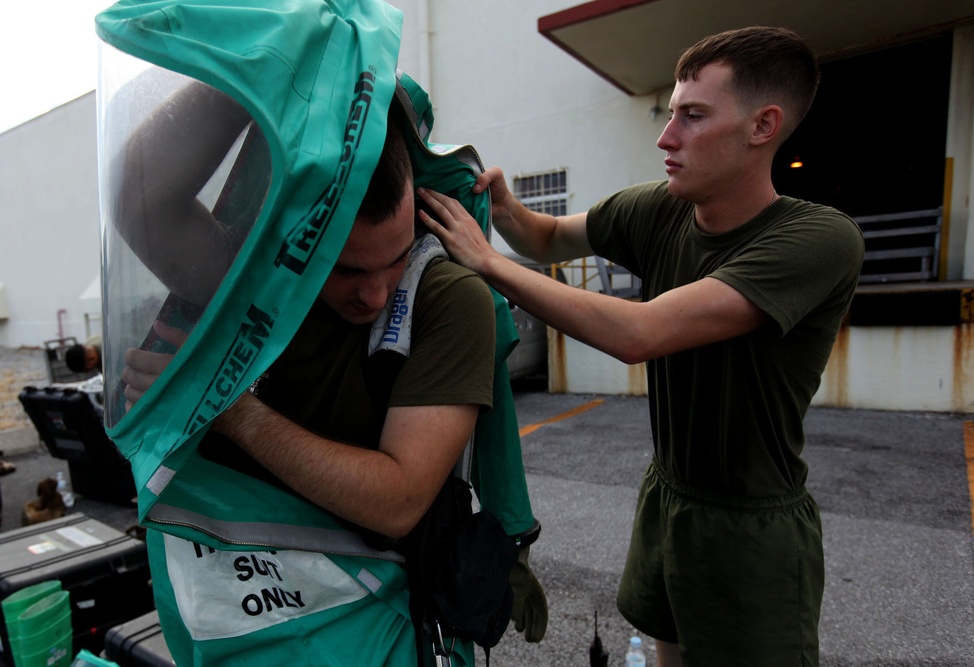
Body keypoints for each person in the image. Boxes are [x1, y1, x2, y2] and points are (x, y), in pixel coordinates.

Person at [419, 26, 865, 667]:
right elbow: (547, 238)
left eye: (692, 116)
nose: (666, 136)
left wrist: (486, 260)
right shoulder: (660, 208)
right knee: (666, 652)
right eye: (671, 113)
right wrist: (505, 209)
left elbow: (641, 333)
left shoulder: (819, 239)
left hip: (752, 524)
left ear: (763, 125)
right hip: (669, 493)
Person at [118, 81, 529, 666]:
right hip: (236, 617)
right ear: (292, 238)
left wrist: (227, 408)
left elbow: (398, 499)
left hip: (377, 622)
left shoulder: (448, 298)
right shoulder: (262, 281)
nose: (376, 293)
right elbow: (139, 199)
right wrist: (267, 59)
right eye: (345, 269)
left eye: (395, 257)